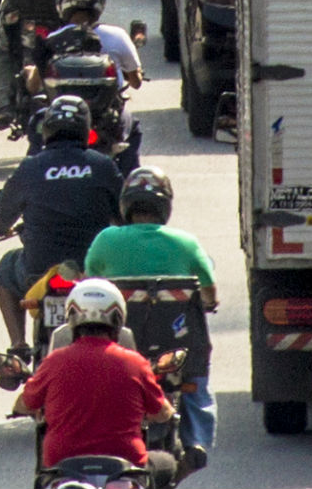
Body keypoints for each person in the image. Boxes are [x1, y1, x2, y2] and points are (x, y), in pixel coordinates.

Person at [82, 170, 222, 464]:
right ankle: (196, 442)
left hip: (118, 344)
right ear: (165, 205)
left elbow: (89, 283)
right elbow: (208, 289)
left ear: (126, 205)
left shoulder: (106, 240)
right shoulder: (185, 242)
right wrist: (209, 302)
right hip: (178, 347)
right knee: (195, 384)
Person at [0, 100, 128, 357]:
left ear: (47, 129)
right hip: (94, 271)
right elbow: (125, 217)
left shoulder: (30, 167)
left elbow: (0, 223)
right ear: (86, 129)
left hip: (38, 272)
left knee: (5, 270)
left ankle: (18, 346)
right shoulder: (103, 166)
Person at [15, 278, 182, 475]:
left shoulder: (54, 361)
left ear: (72, 318)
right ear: (118, 319)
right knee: (167, 463)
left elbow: (24, 405)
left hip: (61, 464)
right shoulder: (135, 363)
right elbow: (162, 413)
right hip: (125, 464)